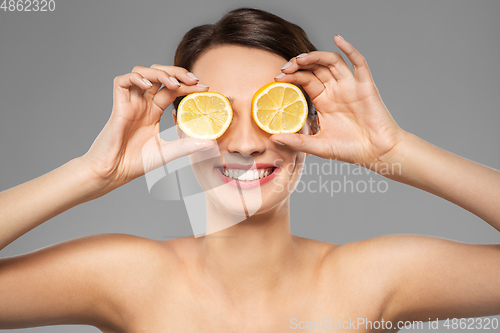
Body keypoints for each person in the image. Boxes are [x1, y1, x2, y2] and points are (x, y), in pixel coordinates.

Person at [1, 7, 499, 332]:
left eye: (269, 111)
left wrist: (393, 148)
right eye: (217, 114)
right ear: (183, 128)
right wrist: (93, 172)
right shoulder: (128, 276)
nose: (242, 144)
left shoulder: (369, 280)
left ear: (311, 122)